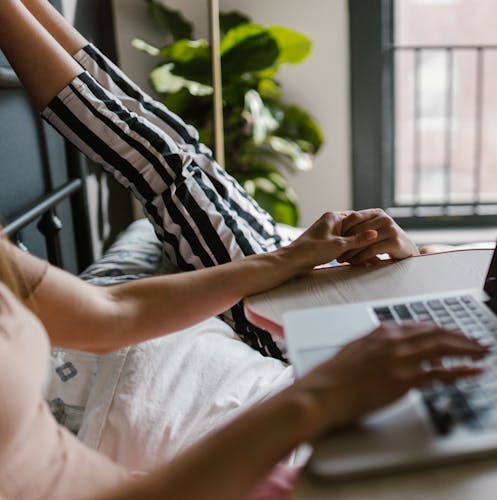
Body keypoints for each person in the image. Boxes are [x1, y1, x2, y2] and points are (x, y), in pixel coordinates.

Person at [5, 0, 420, 361]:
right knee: (183, 146)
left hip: (291, 318)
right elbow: (449, 263)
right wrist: (408, 252)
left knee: (161, 165)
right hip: (313, 277)